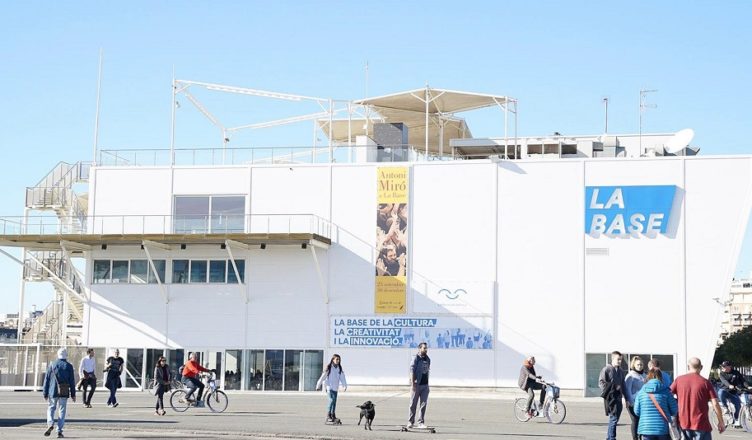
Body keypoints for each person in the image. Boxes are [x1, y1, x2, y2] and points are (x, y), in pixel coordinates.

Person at [670, 357, 726, 438]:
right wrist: (721, 421)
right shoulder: (705, 383)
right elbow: (715, 403)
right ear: (701, 367)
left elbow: (668, 396)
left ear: (688, 367)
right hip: (701, 423)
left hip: (683, 422)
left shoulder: (679, 380)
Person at [634, 368, 678, 440]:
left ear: (648, 377)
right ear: (661, 377)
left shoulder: (641, 392)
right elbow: (674, 410)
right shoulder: (666, 391)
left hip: (646, 428)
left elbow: (637, 411)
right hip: (663, 428)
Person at [43, 347, 76, 438]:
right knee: (62, 410)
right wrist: (73, 394)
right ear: (66, 355)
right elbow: (72, 381)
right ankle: (59, 431)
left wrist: (45, 392)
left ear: (58, 355)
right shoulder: (69, 366)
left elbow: (47, 379)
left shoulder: (52, 365)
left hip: (52, 391)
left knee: (51, 408)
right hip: (64, 392)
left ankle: (50, 423)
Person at [599, 351, 626, 440]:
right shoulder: (606, 369)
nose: (619, 361)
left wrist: (626, 398)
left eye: (620, 360)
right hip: (611, 398)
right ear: (612, 359)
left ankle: (609, 437)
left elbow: (623, 385)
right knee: (613, 418)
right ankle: (612, 438)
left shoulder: (621, 371)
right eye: (618, 359)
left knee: (615, 419)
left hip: (618, 398)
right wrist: (612, 388)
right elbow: (601, 383)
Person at [315, 353, 347, 422]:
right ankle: (328, 415)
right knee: (331, 400)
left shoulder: (339, 369)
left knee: (334, 402)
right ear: (333, 360)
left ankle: (333, 415)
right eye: (337, 359)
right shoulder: (329, 368)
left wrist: (344, 386)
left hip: (335, 388)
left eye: (339, 359)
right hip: (329, 387)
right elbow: (322, 377)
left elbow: (343, 378)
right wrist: (318, 385)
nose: (338, 361)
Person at [718, 360, 749, 428]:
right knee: (720, 392)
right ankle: (725, 408)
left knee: (738, 407)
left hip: (733, 392)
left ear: (729, 367)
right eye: (722, 366)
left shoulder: (736, 372)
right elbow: (724, 381)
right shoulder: (722, 373)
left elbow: (743, 380)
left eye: (724, 366)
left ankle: (735, 420)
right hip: (725, 391)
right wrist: (729, 385)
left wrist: (747, 386)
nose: (723, 368)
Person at [407, 342, 431, 429]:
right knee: (413, 404)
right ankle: (410, 422)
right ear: (420, 348)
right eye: (424, 348)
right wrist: (412, 383)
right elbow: (412, 370)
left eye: (426, 348)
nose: (426, 349)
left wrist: (427, 385)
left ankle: (421, 422)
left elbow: (427, 371)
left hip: (425, 385)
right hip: (416, 385)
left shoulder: (428, 359)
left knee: (423, 404)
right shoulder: (415, 358)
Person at [623, 356, 646, 440]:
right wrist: (631, 402)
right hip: (632, 402)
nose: (640, 366)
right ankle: (635, 438)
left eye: (641, 364)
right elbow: (627, 390)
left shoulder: (644, 375)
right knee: (635, 420)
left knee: (641, 420)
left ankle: (640, 436)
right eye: (638, 365)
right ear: (634, 365)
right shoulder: (630, 376)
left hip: (642, 402)